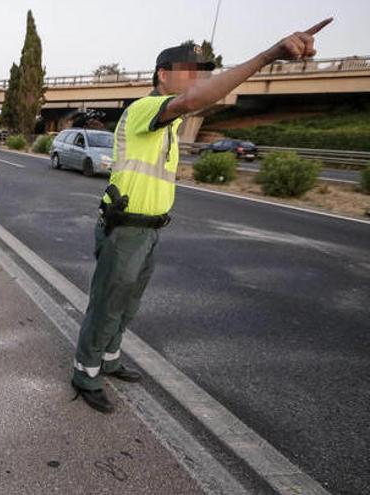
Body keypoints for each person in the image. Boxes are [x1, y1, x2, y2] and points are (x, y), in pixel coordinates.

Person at [70, 19, 333, 414]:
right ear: (163, 75)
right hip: (126, 230)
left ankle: (109, 360)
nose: (197, 80)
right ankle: (85, 373)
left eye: (200, 74)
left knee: (128, 304)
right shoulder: (146, 108)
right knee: (107, 303)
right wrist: (267, 57)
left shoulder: (170, 125)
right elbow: (192, 102)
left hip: (149, 230)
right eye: (189, 73)